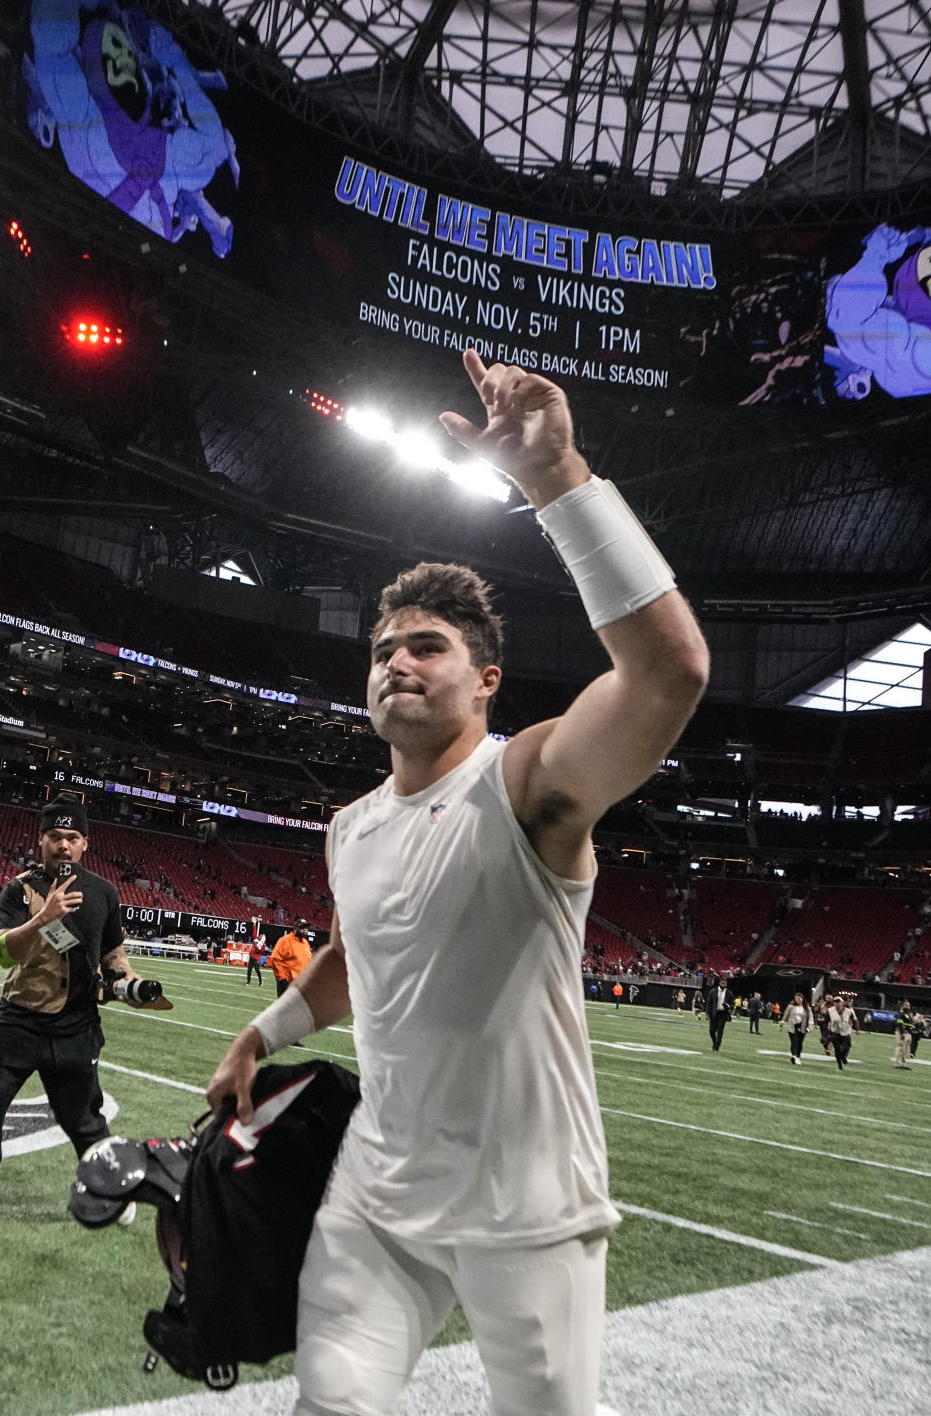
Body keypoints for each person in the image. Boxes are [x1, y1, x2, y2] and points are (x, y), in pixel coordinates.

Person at [205, 349, 709, 1416]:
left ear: (485, 680)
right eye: (383, 649)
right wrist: (266, 1033)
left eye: (426, 647)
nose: (396, 660)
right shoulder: (352, 825)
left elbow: (669, 675)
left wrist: (556, 477)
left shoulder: (526, 783)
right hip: (381, 1191)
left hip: (525, 1204)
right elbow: (361, 957)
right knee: (329, 1404)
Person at [0, 795, 143, 1238]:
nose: (63, 845)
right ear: (40, 841)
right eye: (55, 836)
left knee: (84, 1121)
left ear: (85, 843)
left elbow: (113, 953)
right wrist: (43, 917)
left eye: (72, 837)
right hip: (19, 1019)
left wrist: (126, 983)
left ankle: (111, 1191)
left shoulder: (104, 891)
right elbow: (3, 952)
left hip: (75, 1026)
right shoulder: (18, 888)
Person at [269, 921, 313, 998]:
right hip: (288, 983)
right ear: (295, 929)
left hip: (301, 984)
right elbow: (275, 958)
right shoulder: (285, 940)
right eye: (302, 928)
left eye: (306, 928)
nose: (305, 930)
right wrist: (282, 979)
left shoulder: (306, 943)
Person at [781, 991, 811, 1064]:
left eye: (799, 998)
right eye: (796, 999)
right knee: (794, 1041)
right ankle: (793, 1056)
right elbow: (786, 1014)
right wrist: (782, 1022)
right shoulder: (791, 1006)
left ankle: (798, 1057)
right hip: (792, 1026)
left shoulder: (807, 1007)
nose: (797, 1000)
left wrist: (810, 1024)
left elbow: (811, 1017)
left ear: (802, 998)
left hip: (802, 1027)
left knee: (800, 1042)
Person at [828, 996, 857, 1070]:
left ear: (842, 1003)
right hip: (835, 1032)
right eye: (835, 1002)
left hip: (846, 1032)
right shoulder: (830, 1011)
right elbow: (826, 1020)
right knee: (837, 1049)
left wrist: (857, 1027)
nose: (837, 1004)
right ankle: (839, 1064)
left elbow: (854, 1019)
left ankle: (843, 1057)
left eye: (838, 1002)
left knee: (846, 1047)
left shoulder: (849, 1011)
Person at [706, 977, 733, 1052]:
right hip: (714, 1013)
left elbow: (732, 1005)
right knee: (711, 1031)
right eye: (722, 983)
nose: (723, 985)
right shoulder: (713, 991)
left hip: (723, 1014)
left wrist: (728, 1005)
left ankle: (716, 1048)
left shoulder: (729, 993)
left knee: (720, 1031)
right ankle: (715, 1042)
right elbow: (709, 1003)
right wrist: (707, 1013)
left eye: (725, 983)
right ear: (719, 983)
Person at [894, 1000, 914, 1069]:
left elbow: (910, 1024)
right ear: (902, 1006)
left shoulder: (907, 1014)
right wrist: (902, 1032)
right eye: (906, 1005)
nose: (908, 1007)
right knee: (900, 1047)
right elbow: (899, 1023)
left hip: (907, 1033)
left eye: (909, 1005)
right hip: (902, 1033)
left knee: (906, 1048)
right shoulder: (900, 1013)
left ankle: (903, 1063)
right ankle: (897, 1062)